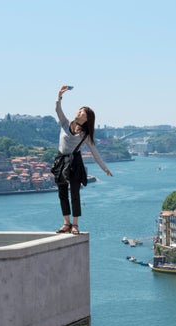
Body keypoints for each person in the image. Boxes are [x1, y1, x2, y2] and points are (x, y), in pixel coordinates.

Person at [53, 85, 113, 234]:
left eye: (82, 113)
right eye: (79, 110)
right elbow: (57, 110)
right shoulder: (65, 123)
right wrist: (59, 96)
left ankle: (75, 224)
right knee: (61, 193)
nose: (78, 112)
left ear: (86, 119)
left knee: (74, 193)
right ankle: (66, 223)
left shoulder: (85, 135)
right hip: (61, 160)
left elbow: (95, 152)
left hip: (75, 163)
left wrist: (104, 168)